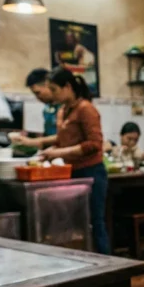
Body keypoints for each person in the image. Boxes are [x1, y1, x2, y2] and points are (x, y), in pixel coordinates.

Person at [39, 67, 109, 254]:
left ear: (68, 86)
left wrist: (59, 153)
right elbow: (63, 138)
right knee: (76, 225)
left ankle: (107, 268)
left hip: (91, 172)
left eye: (54, 89)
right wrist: (38, 144)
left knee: (95, 222)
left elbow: (94, 144)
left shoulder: (86, 109)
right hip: (71, 173)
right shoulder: (63, 111)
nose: (51, 94)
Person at [25, 68, 59, 137]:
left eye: (38, 93)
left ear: (48, 85)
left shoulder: (65, 106)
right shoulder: (46, 109)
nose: (37, 97)